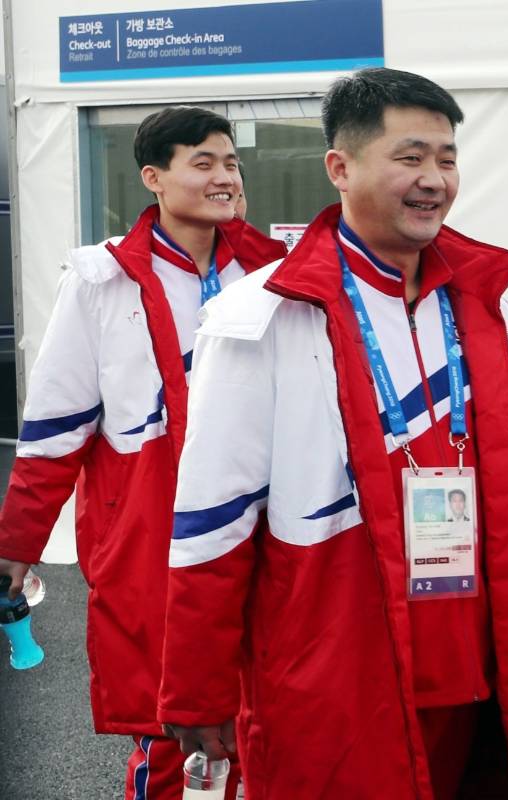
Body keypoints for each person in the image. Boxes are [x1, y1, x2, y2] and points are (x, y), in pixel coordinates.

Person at [156, 68, 508, 800]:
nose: (434, 179)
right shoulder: (261, 316)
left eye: (447, 158)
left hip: (480, 669)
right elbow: (213, 514)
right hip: (337, 667)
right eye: (410, 157)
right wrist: (196, 689)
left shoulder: (486, 307)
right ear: (340, 167)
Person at [0, 106, 284, 800]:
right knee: (173, 733)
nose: (225, 177)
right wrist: (17, 544)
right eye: (204, 162)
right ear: (153, 177)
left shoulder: (274, 273)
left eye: (231, 162)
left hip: (268, 525)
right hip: (152, 534)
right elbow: (54, 428)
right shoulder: (100, 282)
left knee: (273, 722)